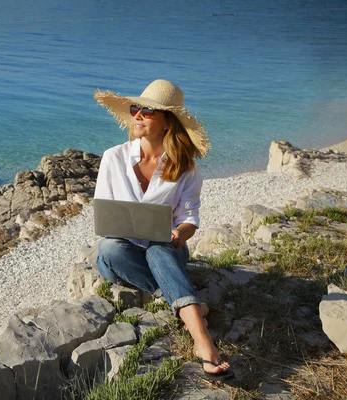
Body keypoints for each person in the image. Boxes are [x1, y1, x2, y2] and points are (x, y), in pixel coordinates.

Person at [93, 79, 234, 381]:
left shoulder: (186, 168)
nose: (138, 115)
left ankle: (202, 342)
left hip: (166, 249)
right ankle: (192, 308)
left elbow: (189, 217)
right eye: (135, 108)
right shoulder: (113, 158)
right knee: (108, 248)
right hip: (124, 253)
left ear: (168, 122)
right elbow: (104, 212)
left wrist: (181, 234)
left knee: (159, 250)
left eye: (149, 110)